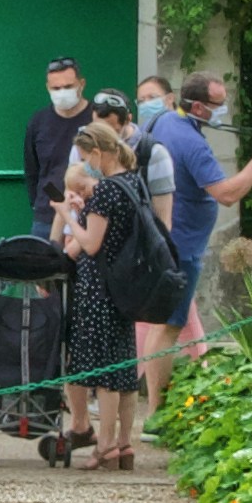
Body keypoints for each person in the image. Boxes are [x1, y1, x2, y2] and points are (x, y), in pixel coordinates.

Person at [50, 115, 183, 469]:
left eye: (84, 157)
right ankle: (125, 444)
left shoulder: (106, 190)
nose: (83, 165)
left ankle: (105, 446)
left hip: (100, 287)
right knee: (124, 370)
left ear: (97, 152)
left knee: (105, 372)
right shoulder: (133, 182)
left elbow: (91, 245)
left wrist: (68, 214)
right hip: (126, 286)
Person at [141, 73, 252, 373]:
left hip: (163, 241)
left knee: (167, 324)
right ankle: (155, 413)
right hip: (180, 247)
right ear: (198, 107)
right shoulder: (192, 142)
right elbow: (226, 194)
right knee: (167, 328)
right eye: (218, 105)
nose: (223, 110)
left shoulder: (165, 121)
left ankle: (156, 406)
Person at [19, 57, 95, 219]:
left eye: (68, 87)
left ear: (81, 84)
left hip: (91, 215)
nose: (62, 93)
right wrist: (38, 204)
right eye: (56, 88)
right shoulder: (38, 122)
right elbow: (32, 170)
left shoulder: (97, 118)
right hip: (47, 215)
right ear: (48, 88)